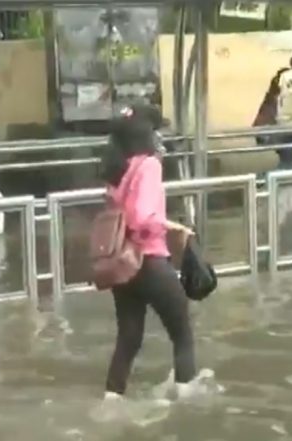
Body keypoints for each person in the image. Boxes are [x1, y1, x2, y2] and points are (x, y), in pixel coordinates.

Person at [99, 105, 198, 401]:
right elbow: (141, 217)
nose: (159, 137)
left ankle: (112, 400)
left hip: (122, 266)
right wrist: (174, 226)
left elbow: (122, 216)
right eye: (156, 131)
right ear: (146, 134)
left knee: (128, 339)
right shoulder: (148, 166)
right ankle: (186, 402)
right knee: (182, 333)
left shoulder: (116, 170)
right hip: (150, 260)